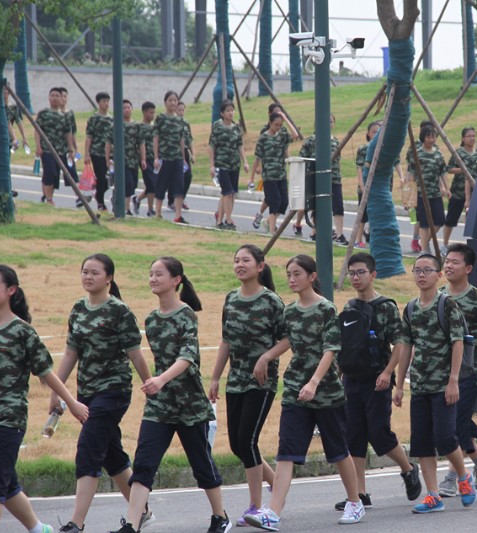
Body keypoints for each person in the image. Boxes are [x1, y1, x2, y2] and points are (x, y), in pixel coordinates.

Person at [0, 265, 89, 533]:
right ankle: (39, 529)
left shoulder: (23, 332)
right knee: (4, 484)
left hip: (9, 420)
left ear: (11, 291)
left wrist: (71, 402)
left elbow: (47, 374)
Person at [109, 257, 231, 533]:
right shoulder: (151, 319)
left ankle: (220, 516)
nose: (152, 278)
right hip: (160, 405)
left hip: (189, 404)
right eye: (150, 274)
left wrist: (161, 379)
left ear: (176, 280)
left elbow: (187, 355)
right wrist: (157, 384)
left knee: (202, 465)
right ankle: (132, 524)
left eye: (159, 274)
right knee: (143, 464)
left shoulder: (186, 314)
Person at [247, 255, 365, 530]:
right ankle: (273, 512)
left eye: (297, 274)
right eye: (288, 274)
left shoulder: (325, 309)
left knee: (338, 451)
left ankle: (354, 501)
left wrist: (314, 382)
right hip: (295, 390)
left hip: (325, 392)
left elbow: (331, 348)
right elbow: (289, 340)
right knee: (286, 452)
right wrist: (266, 356)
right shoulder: (289, 311)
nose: (291, 279)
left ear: (312, 276)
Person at [52, 254, 154, 533]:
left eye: (94, 273)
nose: (88, 277)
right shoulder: (77, 308)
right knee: (111, 454)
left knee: (88, 449)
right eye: (84, 271)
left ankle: (76, 523)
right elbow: (71, 352)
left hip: (114, 391)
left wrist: (150, 385)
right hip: (87, 391)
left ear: (108, 278)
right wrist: (56, 390)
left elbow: (136, 354)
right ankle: (141, 511)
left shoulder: (119, 311)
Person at [336, 252, 422, 510]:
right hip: (352, 379)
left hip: (377, 378)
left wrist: (387, 373)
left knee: (379, 434)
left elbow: (400, 343)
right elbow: (346, 347)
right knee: (354, 437)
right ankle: (360, 493)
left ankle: (408, 469)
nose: (355, 277)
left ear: (373, 275)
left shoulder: (385, 306)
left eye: (361, 272)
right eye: (352, 273)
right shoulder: (349, 307)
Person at [393, 254, 477, 512]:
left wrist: (453, 381)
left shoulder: (447, 304)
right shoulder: (409, 308)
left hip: (443, 385)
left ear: (438, 275)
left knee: (445, 436)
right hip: (420, 385)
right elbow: (406, 346)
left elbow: (458, 342)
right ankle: (433, 496)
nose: (421, 275)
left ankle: (463, 476)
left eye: (427, 270)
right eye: (417, 270)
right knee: (421, 442)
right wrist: (399, 384)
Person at [209, 244, 280, 526]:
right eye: (236, 260)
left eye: (246, 260)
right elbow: (226, 340)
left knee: (248, 440)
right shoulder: (231, 298)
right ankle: (276, 483)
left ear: (260, 266)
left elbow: (287, 338)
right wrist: (215, 376)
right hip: (235, 380)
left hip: (261, 382)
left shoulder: (271, 301)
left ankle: (256, 507)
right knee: (238, 445)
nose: (240, 265)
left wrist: (266, 357)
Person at [437, 244, 477, 496]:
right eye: (447, 261)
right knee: (453, 423)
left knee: (456, 423)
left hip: (468, 372)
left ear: (469, 268)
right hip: (438, 372)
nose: (449, 266)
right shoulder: (438, 296)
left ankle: (453, 475)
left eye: (455, 262)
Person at [297, 114, 345, 243]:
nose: (329, 124)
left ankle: (340, 234)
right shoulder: (311, 140)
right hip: (317, 178)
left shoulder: (336, 141)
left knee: (338, 206)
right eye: (326, 121)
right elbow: (302, 159)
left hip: (334, 178)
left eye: (331, 121)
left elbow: (338, 161)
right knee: (318, 207)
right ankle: (315, 232)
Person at [250, 104, 299, 229]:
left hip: (281, 174)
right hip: (269, 176)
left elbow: (295, 135)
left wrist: (285, 119)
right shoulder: (264, 137)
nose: (278, 127)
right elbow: (257, 158)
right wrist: (251, 178)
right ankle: (272, 229)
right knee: (274, 201)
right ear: (270, 123)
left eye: (280, 125)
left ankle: (267, 222)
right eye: (276, 124)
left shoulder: (281, 135)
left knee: (284, 202)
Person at [209, 101, 249, 230]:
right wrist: (212, 165)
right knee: (227, 192)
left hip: (234, 164)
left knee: (231, 193)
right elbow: (212, 146)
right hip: (222, 164)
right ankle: (229, 219)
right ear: (222, 113)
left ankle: (220, 220)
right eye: (228, 110)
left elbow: (240, 146)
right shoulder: (217, 126)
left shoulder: (237, 128)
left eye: (232, 110)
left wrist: (245, 162)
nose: (230, 113)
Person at [410, 125, 449, 255]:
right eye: (429, 136)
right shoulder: (417, 154)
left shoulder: (438, 154)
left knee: (440, 220)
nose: (431, 139)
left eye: (433, 136)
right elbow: (411, 173)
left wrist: (446, 188)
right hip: (420, 194)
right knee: (424, 223)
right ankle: (425, 250)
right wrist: (408, 194)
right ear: (423, 137)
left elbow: (442, 172)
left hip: (435, 193)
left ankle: (424, 243)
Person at [35, 87, 74, 205]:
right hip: (46, 149)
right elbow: (37, 130)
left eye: (57, 96)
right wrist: (38, 146)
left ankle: (49, 197)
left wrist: (71, 149)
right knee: (50, 172)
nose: (55, 98)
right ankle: (48, 199)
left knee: (56, 175)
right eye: (52, 95)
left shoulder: (65, 116)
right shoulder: (43, 114)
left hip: (61, 150)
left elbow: (68, 133)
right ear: (49, 98)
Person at [105, 100, 145, 216]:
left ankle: (116, 199)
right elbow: (108, 143)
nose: (126, 110)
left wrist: (143, 159)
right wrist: (108, 159)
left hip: (133, 160)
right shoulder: (115, 125)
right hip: (120, 160)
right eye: (124, 108)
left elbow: (141, 143)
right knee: (126, 183)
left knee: (132, 184)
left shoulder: (136, 125)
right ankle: (126, 209)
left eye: (128, 107)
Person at [153, 90, 187, 223]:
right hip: (164, 157)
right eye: (170, 100)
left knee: (179, 185)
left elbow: (182, 140)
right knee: (161, 184)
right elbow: (156, 138)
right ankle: (158, 213)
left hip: (177, 158)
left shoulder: (180, 120)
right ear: (165, 102)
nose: (173, 102)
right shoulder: (161, 118)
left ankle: (178, 215)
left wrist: (183, 158)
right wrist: (156, 157)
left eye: (175, 100)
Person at [443, 127, 477, 250]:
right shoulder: (458, 153)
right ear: (463, 138)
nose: (472, 138)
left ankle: (472, 246)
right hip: (458, 192)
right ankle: (445, 244)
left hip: (473, 194)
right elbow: (449, 169)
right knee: (451, 220)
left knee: (472, 222)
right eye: (469, 136)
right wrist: (463, 171)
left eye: (474, 136)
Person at [85, 92, 113, 212]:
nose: (106, 103)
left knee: (110, 180)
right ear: (98, 103)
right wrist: (86, 153)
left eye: (107, 101)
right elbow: (89, 136)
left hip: (110, 154)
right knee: (101, 178)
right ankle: (100, 202)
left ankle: (97, 193)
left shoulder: (112, 119)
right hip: (97, 152)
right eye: (103, 101)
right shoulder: (93, 118)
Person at [132, 101, 157, 217]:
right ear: (144, 112)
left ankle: (137, 199)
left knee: (154, 184)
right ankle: (150, 209)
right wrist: (141, 158)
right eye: (151, 113)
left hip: (154, 158)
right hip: (144, 159)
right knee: (152, 184)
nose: (153, 115)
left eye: (154, 113)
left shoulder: (154, 127)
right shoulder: (139, 126)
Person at [174, 100, 194, 211]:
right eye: (179, 110)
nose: (181, 112)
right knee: (176, 178)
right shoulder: (172, 122)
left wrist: (193, 154)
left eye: (182, 110)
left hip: (185, 152)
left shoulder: (186, 123)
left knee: (188, 176)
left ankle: (182, 199)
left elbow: (189, 139)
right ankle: (172, 200)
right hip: (175, 152)